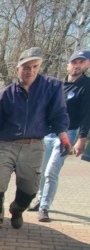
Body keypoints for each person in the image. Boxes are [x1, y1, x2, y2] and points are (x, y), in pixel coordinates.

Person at [0, 47, 69, 242]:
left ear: (39, 67)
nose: (31, 71)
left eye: (35, 66)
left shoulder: (51, 87)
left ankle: (17, 209)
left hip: (34, 146)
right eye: (26, 67)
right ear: (18, 68)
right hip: (7, 146)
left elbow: (59, 114)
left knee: (30, 189)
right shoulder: (6, 94)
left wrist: (63, 137)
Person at [28, 48, 90, 221]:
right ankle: (40, 200)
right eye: (74, 62)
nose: (77, 66)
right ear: (68, 65)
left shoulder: (86, 86)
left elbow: (87, 115)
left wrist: (81, 139)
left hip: (67, 134)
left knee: (51, 171)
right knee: (41, 170)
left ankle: (45, 207)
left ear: (87, 64)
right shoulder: (57, 85)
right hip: (47, 133)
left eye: (81, 62)